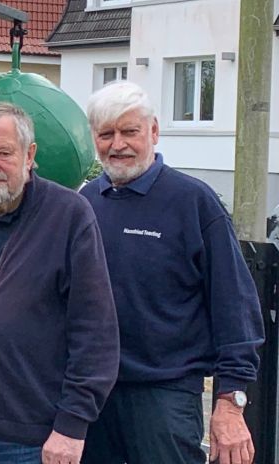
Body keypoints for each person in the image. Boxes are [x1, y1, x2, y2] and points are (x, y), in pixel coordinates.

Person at [0, 103, 118, 464]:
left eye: (3, 153)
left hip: (37, 437)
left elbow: (95, 332)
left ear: (30, 155)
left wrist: (72, 426)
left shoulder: (69, 215)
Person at [79, 82, 264, 464]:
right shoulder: (83, 205)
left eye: (130, 131)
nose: (118, 145)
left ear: (154, 132)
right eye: (106, 134)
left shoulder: (194, 203)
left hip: (164, 396)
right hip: (91, 394)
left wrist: (231, 402)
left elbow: (235, 306)